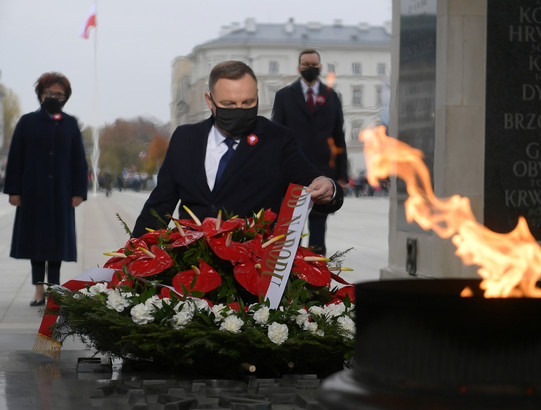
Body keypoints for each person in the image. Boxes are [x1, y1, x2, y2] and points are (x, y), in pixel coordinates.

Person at [132, 61, 343, 238]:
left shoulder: (277, 139)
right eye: (229, 104)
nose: (240, 110)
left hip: (254, 271)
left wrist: (329, 188)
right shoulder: (185, 139)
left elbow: (316, 184)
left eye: (248, 102)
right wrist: (133, 259)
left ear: (257, 96)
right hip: (192, 269)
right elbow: (159, 207)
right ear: (210, 101)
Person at [3, 72, 89, 306]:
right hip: (33, 192)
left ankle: (54, 289)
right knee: (36, 243)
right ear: (41, 95)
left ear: (65, 98)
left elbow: (78, 160)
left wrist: (79, 191)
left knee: (57, 244)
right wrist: (14, 190)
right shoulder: (27, 122)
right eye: (49, 93)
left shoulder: (70, 123)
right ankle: (39, 290)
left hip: (61, 193)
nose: (53, 97)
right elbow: (16, 157)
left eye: (59, 94)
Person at [272, 49, 348, 255]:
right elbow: (275, 136)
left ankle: (316, 281)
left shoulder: (332, 97)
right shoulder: (284, 96)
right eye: (306, 65)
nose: (310, 68)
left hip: (323, 175)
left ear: (320, 67)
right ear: (299, 68)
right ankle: (289, 280)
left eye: (314, 64)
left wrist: (342, 176)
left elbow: (338, 137)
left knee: (317, 239)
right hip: (291, 176)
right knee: (289, 236)